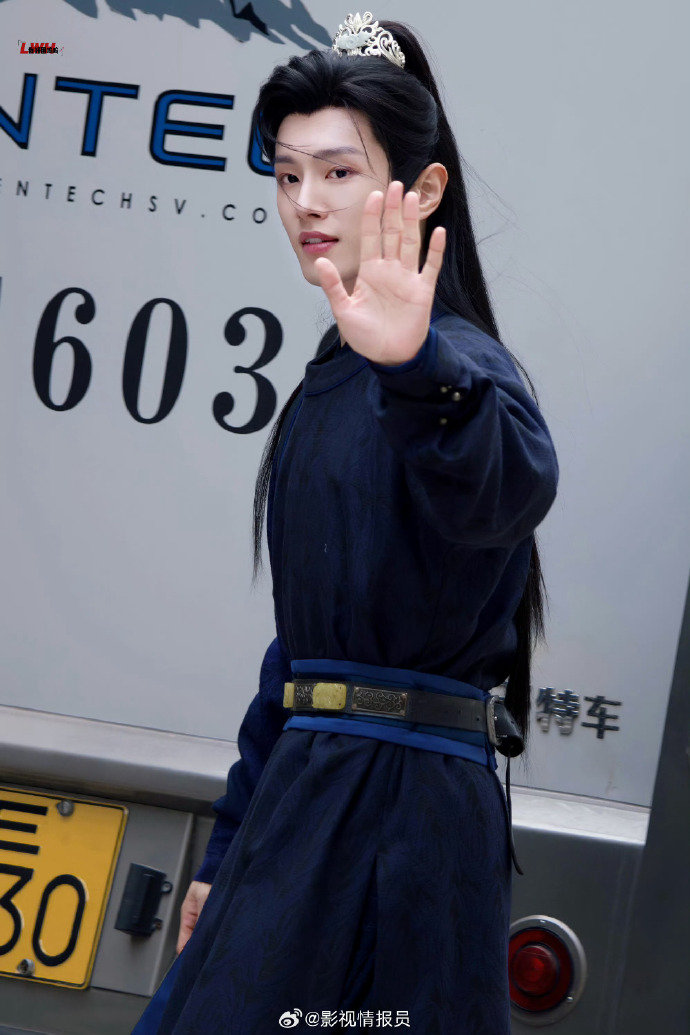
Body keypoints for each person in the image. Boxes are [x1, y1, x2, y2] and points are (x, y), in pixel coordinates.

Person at [131, 12, 559, 1034]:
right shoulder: (332, 376)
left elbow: (511, 486)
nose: (306, 203)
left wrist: (418, 368)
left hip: (403, 830)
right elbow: (299, 657)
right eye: (287, 175)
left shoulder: (458, 367)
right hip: (307, 806)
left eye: (337, 172)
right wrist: (228, 849)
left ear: (423, 191)